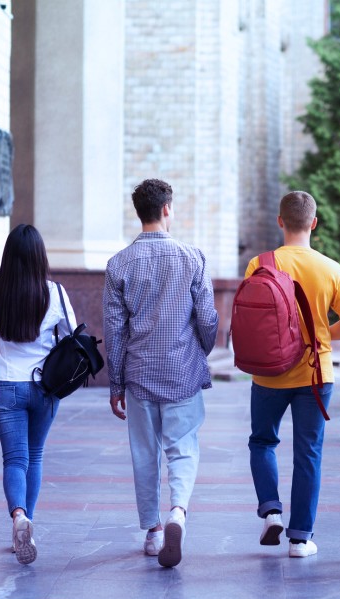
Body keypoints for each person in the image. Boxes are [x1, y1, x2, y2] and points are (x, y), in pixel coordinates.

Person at [103, 178, 218, 568]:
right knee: (182, 446)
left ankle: (153, 531)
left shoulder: (119, 264)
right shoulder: (192, 258)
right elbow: (207, 318)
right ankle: (178, 514)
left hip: (138, 373)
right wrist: (199, 351)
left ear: (139, 212)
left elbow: (114, 329)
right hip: (181, 371)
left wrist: (116, 381)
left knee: (144, 451)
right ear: (167, 208)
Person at [246, 191, 340, 559]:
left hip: (269, 373)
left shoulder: (260, 263)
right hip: (315, 374)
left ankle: (271, 511)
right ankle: (301, 538)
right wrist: (322, 334)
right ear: (314, 223)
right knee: (308, 453)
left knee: (262, 442)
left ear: (280, 221)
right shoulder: (331, 269)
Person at [0, 224, 76, 565]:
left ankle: (19, 517)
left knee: (14, 459)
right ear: (39, 256)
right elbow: (72, 339)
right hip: (44, 387)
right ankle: (26, 522)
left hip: (5, 385)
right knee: (35, 455)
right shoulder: (55, 293)